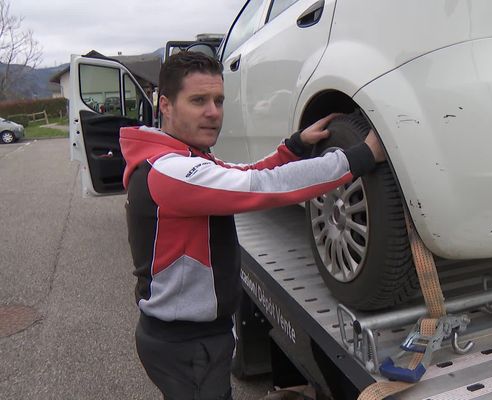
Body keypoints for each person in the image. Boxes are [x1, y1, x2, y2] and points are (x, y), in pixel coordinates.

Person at [119, 51, 385, 400]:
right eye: (198, 100)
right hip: (186, 344)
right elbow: (264, 187)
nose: (213, 112)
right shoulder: (170, 171)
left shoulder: (181, 158)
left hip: (188, 336)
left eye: (218, 100)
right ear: (165, 105)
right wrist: (361, 156)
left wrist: (294, 147)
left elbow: (244, 175)